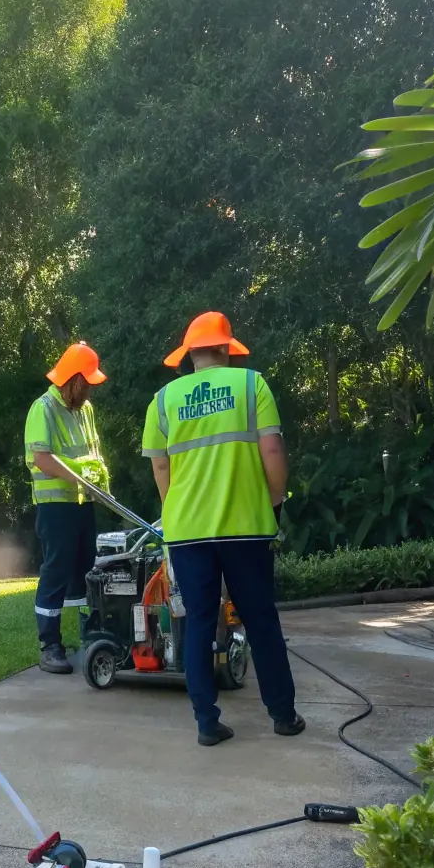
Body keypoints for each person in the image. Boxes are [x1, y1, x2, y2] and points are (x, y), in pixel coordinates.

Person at [140, 311, 304, 746]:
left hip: (188, 532)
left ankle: (206, 723)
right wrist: (275, 503)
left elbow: (161, 466)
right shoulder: (252, 385)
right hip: (247, 526)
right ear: (227, 349)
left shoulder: (163, 400)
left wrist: (177, 509)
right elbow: (271, 449)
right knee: (261, 619)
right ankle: (284, 715)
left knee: (198, 622)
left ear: (190, 354)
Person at [24, 342, 109, 674]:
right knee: (56, 571)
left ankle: (93, 637)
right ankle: (50, 646)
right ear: (73, 380)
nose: (90, 391)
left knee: (89, 571)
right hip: (55, 506)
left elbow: (94, 453)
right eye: (87, 383)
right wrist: (79, 477)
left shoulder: (85, 410)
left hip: (83, 502)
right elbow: (42, 459)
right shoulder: (42, 408)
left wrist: (99, 485)